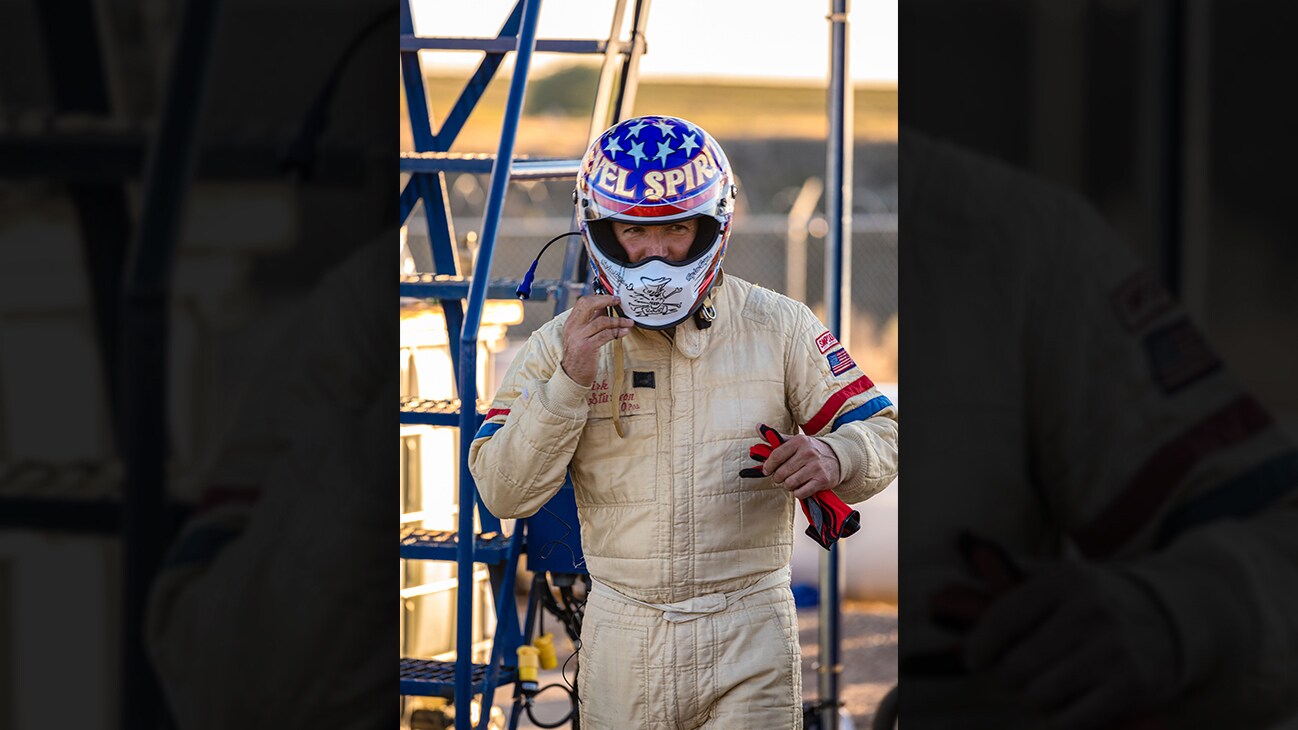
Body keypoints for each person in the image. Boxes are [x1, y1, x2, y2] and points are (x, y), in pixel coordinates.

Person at [468, 115, 900, 728]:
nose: (655, 253)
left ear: (712, 227)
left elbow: (885, 429)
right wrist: (569, 382)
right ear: (602, 232)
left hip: (751, 629)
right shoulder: (557, 347)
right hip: (623, 631)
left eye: (675, 229)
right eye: (633, 231)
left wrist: (837, 456)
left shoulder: (780, 325)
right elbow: (502, 492)